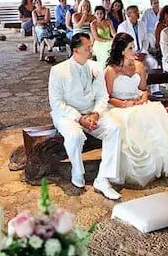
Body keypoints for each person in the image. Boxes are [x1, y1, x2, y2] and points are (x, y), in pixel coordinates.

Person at [105, 33, 168, 187]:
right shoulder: (111, 70)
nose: (134, 50)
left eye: (133, 46)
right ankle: (140, 168)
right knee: (130, 124)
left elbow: (143, 89)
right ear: (122, 50)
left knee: (157, 121)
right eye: (131, 47)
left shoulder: (139, 66)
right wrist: (124, 104)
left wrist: (142, 99)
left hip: (138, 103)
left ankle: (162, 164)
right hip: (119, 106)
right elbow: (107, 96)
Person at [47, 33, 122, 200]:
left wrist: (95, 114)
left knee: (115, 128)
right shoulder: (58, 71)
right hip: (67, 114)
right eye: (87, 48)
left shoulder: (96, 67)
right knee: (74, 135)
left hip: (92, 112)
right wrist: (79, 118)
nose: (91, 50)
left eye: (90, 47)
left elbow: (103, 96)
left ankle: (103, 178)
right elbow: (56, 103)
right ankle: (77, 170)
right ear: (75, 50)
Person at [117, 5, 158, 70]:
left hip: (142, 53)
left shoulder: (142, 24)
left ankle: (150, 80)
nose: (138, 13)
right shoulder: (122, 27)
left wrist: (143, 52)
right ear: (128, 14)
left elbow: (145, 40)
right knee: (138, 67)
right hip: (129, 55)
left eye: (138, 11)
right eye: (135, 12)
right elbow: (122, 44)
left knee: (153, 62)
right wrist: (133, 55)